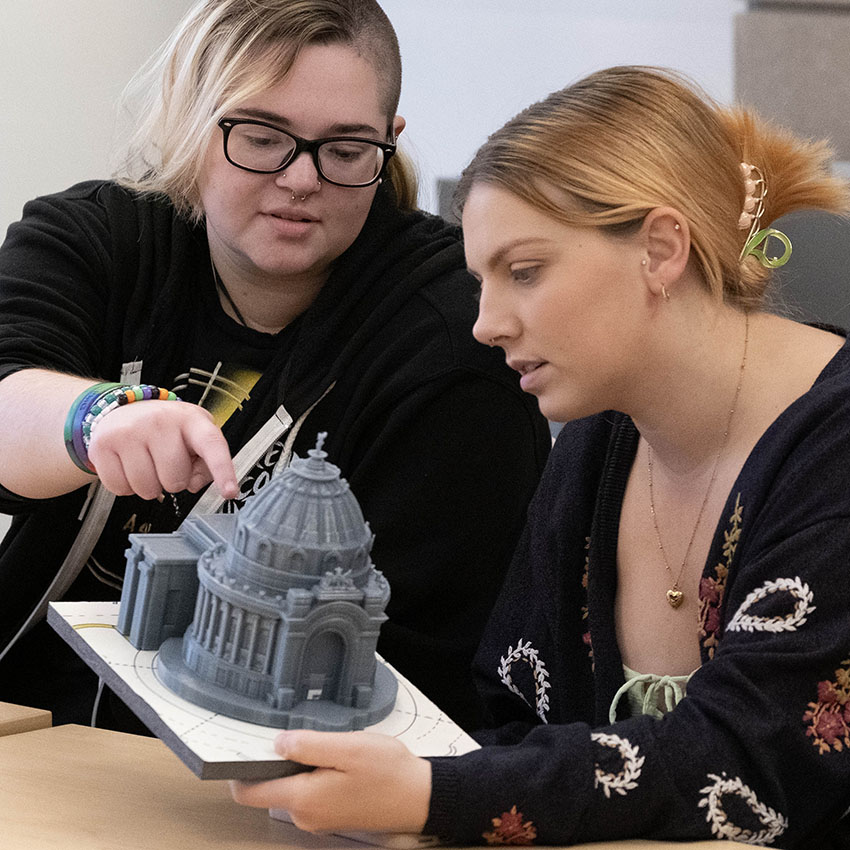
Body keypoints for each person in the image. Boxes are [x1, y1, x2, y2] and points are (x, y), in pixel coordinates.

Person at [228, 66, 850, 848]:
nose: (485, 325)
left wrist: (434, 795)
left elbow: (748, 767)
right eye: (481, 282)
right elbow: (514, 715)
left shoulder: (833, 449)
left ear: (661, 248)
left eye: (523, 273)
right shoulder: (596, 445)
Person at [0, 0, 551, 734]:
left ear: (390, 143)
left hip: (274, 765)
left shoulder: (451, 339)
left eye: (346, 150)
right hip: (29, 717)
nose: (300, 179)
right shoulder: (100, 237)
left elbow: (408, 679)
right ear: (194, 124)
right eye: (261, 138)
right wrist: (98, 420)